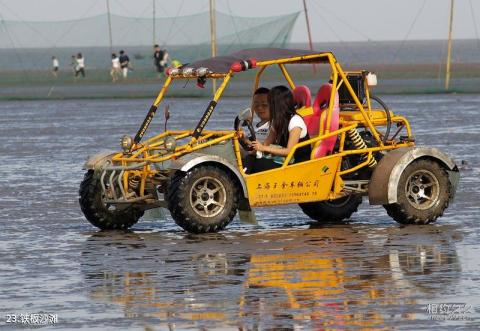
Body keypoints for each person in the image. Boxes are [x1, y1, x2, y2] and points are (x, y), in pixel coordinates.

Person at [248, 85, 311, 174]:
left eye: (268, 103)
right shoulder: (276, 121)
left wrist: (263, 148)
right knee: (250, 159)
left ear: (277, 104)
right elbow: (266, 143)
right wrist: (251, 146)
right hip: (283, 160)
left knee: (259, 164)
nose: (267, 106)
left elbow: (289, 151)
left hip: (296, 162)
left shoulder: (295, 121)